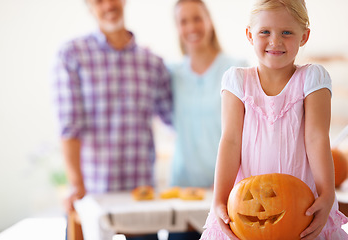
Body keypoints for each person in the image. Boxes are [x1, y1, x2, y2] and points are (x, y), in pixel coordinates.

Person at [200, 0, 348, 239]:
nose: (275, 41)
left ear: (304, 36)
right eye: (265, 32)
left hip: (302, 210)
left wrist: (327, 194)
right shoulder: (237, 81)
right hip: (248, 209)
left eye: (287, 32)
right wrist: (219, 199)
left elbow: (317, 138)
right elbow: (229, 142)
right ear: (250, 35)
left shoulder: (312, 78)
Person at [52, 0, 172, 215]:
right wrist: (77, 185)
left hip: (141, 195)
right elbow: (69, 126)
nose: (108, 5)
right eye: (98, 1)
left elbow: (174, 120)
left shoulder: (152, 63)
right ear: (89, 6)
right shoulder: (71, 54)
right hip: (92, 195)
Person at [168, 0, 246, 188]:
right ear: (177, 28)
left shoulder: (237, 69)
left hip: (229, 186)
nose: (191, 27)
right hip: (183, 186)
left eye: (197, 19)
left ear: (209, 21)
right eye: (183, 22)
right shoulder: (172, 73)